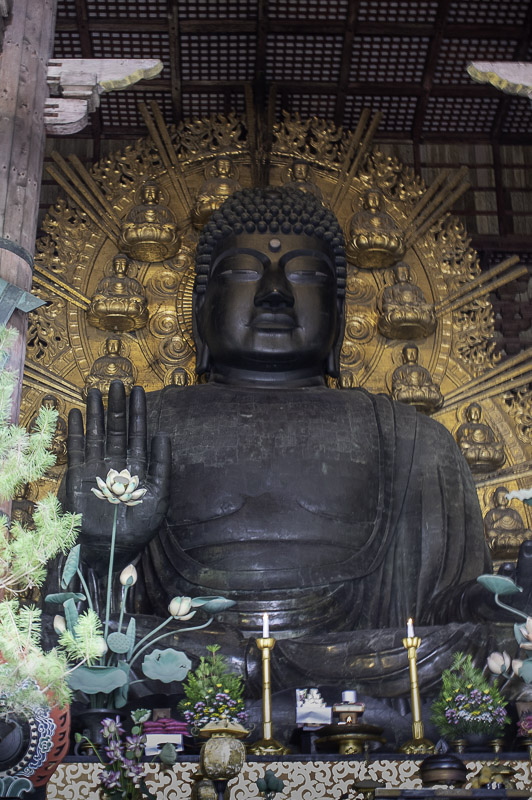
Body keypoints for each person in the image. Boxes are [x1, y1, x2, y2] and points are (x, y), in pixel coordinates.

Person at [65, 186, 517, 699]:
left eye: (304, 275)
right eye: (243, 273)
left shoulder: (417, 441)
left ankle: (258, 689)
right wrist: (103, 546)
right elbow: (77, 615)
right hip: (198, 659)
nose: (274, 292)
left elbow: (447, 610)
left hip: (364, 661)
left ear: (340, 316)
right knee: (85, 643)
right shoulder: (139, 430)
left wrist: (497, 604)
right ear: (199, 310)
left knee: (479, 645)